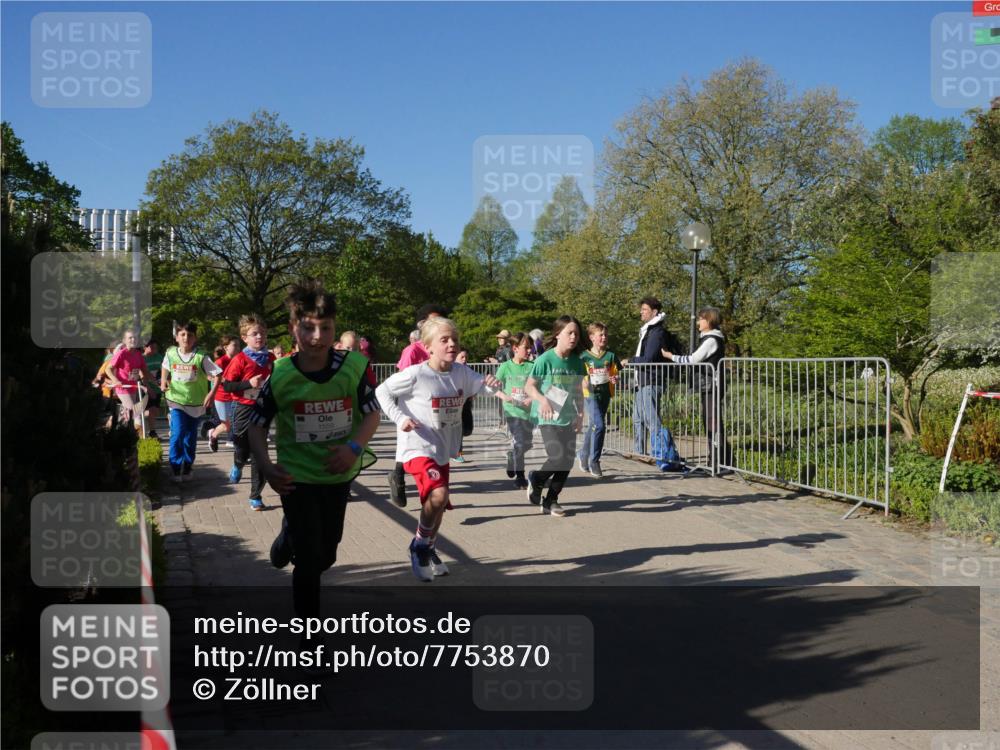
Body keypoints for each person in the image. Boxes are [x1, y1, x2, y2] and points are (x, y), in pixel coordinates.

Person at [248, 279, 380, 626]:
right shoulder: (280, 374)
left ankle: (288, 534)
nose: (317, 337)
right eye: (308, 328)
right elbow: (256, 424)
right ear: (294, 328)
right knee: (308, 562)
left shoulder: (352, 367)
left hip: (336, 473)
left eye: (326, 328)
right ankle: (309, 637)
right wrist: (266, 467)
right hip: (295, 477)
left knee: (326, 554)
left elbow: (372, 413)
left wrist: (354, 448)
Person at [376, 317, 500, 581]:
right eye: (444, 340)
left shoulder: (461, 372)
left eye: (454, 339)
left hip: (442, 448)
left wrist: (496, 388)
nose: (452, 344)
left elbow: (484, 386)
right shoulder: (417, 373)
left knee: (438, 504)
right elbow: (381, 391)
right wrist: (400, 418)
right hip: (417, 446)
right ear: (428, 347)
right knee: (439, 493)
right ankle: (419, 545)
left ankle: (429, 548)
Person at [523, 316, 587, 517]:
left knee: (567, 461)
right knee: (557, 456)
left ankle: (551, 500)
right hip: (547, 416)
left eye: (576, 333)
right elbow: (529, 386)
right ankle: (537, 478)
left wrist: (580, 414)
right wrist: (542, 400)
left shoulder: (577, 362)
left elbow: (578, 390)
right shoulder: (545, 359)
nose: (574, 337)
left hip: (567, 416)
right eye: (569, 332)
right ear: (558, 334)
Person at [389, 304, 447, 507]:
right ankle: (399, 477)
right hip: (412, 407)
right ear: (421, 325)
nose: (436, 326)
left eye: (440, 321)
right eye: (431, 322)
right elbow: (399, 382)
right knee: (410, 447)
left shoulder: (444, 348)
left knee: (430, 449)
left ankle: (431, 489)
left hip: (436, 411)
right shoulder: (413, 350)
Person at [662, 306, 729, 469]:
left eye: (701, 318)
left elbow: (693, 359)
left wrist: (671, 357)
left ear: (709, 320)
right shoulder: (708, 338)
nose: (698, 321)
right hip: (709, 386)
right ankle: (718, 459)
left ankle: (719, 461)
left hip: (712, 386)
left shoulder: (711, 340)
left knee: (713, 423)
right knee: (711, 422)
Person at [222, 315, 276, 510]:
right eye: (255, 334)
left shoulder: (270, 358)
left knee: (259, 452)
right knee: (243, 446)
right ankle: (238, 463)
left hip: (262, 406)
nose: (259, 337)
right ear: (245, 337)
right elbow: (227, 385)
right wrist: (248, 384)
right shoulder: (240, 359)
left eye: (262, 333)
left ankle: (256, 495)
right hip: (243, 406)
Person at [160, 321, 222, 482]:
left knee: (190, 436)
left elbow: (218, 375)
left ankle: (187, 466)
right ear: (177, 337)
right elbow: (165, 366)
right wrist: (163, 380)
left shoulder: (201, 357)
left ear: (195, 338)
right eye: (182, 334)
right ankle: (174, 467)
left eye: (190, 335)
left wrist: (211, 394)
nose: (186, 337)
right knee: (177, 433)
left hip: (196, 403)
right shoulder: (171, 352)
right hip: (176, 400)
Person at [623, 296, 669, 456]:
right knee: (638, 418)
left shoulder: (656, 332)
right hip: (642, 381)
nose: (641, 312)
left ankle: (661, 453)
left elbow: (648, 358)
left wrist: (629, 360)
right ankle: (639, 452)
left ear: (654, 312)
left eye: (644, 310)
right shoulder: (648, 330)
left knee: (651, 419)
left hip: (651, 380)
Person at [578, 322, 622, 478]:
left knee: (594, 425)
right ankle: (594, 461)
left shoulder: (610, 356)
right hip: (590, 395)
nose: (604, 337)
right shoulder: (583, 356)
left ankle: (583, 455)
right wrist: (582, 380)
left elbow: (615, 373)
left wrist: (615, 378)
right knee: (600, 425)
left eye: (605, 335)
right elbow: (578, 375)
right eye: (600, 335)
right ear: (592, 337)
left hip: (605, 394)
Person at [494, 332, 534, 489]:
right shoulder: (505, 367)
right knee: (520, 442)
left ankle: (512, 457)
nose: (530, 351)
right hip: (512, 412)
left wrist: (531, 398)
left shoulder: (532, 366)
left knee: (527, 444)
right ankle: (520, 476)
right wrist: (505, 397)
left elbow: (539, 388)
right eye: (527, 348)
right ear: (516, 348)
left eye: (530, 348)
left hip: (528, 412)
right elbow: (494, 388)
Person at [106, 329, 154, 433]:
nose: (133, 340)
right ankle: (139, 440)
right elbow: (107, 369)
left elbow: (145, 372)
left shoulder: (138, 354)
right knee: (135, 413)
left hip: (133, 387)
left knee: (127, 414)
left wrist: (156, 382)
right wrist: (115, 380)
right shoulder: (121, 354)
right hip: (122, 388)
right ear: (124, 340)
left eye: (135, 338)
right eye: (130, 338)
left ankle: (112, 428)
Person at [207, 336, 240, 451]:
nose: (237, 348)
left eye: (238, 345)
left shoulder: (239, 360)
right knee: (227, 425)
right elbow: (209, 375)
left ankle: (241, 450)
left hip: (235, 396)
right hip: (221, 397)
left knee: (235, 423)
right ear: (226, 347)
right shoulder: (220, 361)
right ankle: (213, 435)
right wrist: (223, 380)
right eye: (234, 345)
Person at [453, 348, 472, 463]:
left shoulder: (468, 370)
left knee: (468, 430)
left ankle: (453, 448)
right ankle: (457, 453)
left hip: (467, 404)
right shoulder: (452, 370)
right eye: (462, 357)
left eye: (466, 357)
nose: (465, 360)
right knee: (459, 430)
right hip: (456, 405)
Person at [142, 340, 163, 438]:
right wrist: (148, 388)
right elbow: (142, 376)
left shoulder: (159, 357)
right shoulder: (142, 358)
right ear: (145, 347)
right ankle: (151, 431)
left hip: (157, 387)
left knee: (155, 411)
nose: (155, 350)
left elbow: (164, 371)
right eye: (152, 347)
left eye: (156, 348)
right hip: (145, 388)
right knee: (150, 410)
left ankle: (149, 428)